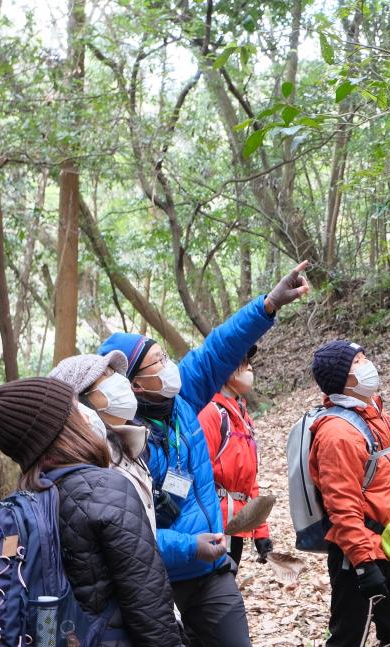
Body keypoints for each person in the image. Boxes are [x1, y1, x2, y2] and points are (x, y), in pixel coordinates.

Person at [97, 262, 310, 647]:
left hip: (212, 572)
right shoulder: (117, 445)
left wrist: (268, 305)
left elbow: (217, 349)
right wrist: (188, 547)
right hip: (157, 585)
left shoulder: (181, 401)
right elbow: (129, 534)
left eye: (165, 357)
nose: (169, 367)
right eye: (157, 362)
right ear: (135, 385)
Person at [0, 377, 182, 646]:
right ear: (64, 428)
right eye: (76, 408)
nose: (86, 415)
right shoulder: (104, 488)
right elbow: (150, 608)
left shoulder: (25, 504)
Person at [308, 340, 390, 647]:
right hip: (356, 554)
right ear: (342, 379)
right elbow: (342, 506)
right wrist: (363, 564)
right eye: (357, 361)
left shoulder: (374, 414)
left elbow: (389, 481)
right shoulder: (338, 433)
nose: (367, 365)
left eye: (364, 357)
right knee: (349, 639)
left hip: (387, 543)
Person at [49, 351, 155, 531]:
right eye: (106, 374)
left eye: (115, 372)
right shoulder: (81, 462)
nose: (123, 381)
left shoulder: (127, 446)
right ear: (79, 401)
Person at [197, 345, 273, 568]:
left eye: (249, 362)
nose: (250, 368)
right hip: (215, 526)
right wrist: (213, 526)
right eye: (243, 363)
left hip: (236, 524)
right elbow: (199, 477)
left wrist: (260, 530)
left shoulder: (242, 415)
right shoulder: (210, 414)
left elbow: (249, 479)